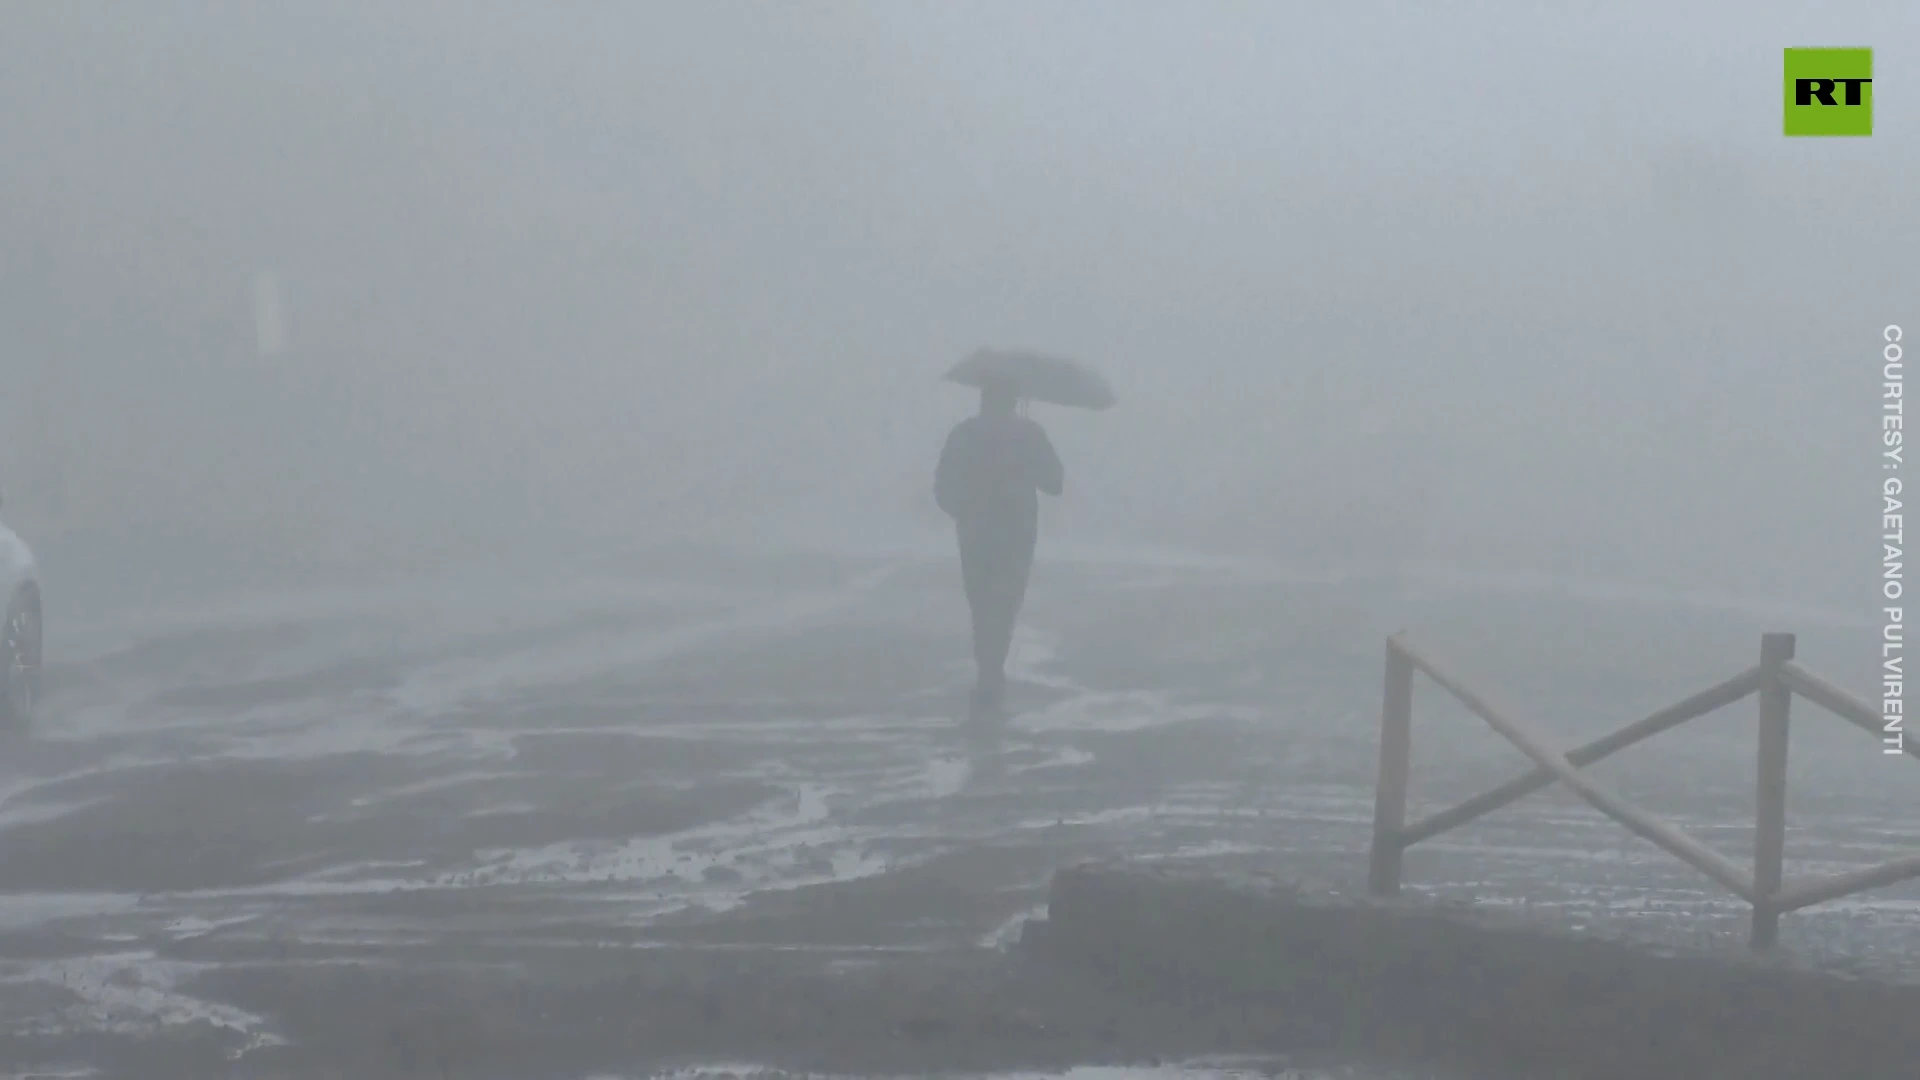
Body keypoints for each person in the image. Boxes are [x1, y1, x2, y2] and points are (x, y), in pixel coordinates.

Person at [933, 375, 1064, 716]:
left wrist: (963, 509)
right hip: (1017, 530)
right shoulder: (1030, 435)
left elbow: (943, 486)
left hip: (975, 530)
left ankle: (987, 669)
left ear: (983, 399)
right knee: (1006, 598)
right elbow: (1055, 482)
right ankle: (994, 668)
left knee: (980, 598)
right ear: (1013, 400)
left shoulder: (964, 434)